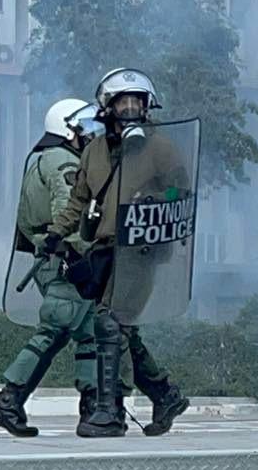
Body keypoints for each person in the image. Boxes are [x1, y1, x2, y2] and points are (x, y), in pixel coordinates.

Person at [49, 68, 192, 439]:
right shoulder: (94, 151)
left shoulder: (161, 147)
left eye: (137, 102)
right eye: (122, 102)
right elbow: (79, 201)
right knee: (123, 329)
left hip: (142, 250)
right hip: (104, 250)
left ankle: (110, 412)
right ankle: (165, 394)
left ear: (147, 107)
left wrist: (156, 200)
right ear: (106, 108)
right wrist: (54, 234)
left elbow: (182, 194)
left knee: (110, 323)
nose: (130, 108)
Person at [0, 98, 99, 437]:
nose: (91, 134)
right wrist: (81, 259)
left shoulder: (41, 158)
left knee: (69, 330)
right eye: (85, 128)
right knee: (71, 331)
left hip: (50, 260)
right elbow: (69, 213)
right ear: (68, 129)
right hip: (66, 260)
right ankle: (13, 402)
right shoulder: (63, 161)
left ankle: (12, 404)